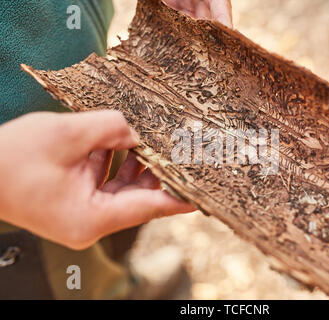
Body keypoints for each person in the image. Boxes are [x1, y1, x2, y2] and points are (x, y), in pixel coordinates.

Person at [0, 0, 232, 299]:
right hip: (23, 196)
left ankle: (126, 281)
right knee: (78, 285)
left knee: (118, 226)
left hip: (93, 110)